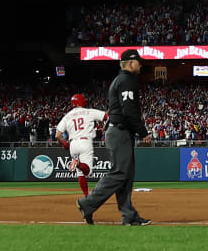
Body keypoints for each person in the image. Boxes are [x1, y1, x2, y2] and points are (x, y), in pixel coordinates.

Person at [76, 49, 152, 226]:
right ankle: (87, 203)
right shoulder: (127, 80)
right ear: (131, 63)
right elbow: (129, 110)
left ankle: (129, 216)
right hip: (119, 131)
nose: (141, 65)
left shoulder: (120, 80)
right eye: (138, 62)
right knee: (119, 173)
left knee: (126, 175)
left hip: (119, 131)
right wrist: (143, 132)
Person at [56, 93, 108, 197]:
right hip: (85, 142)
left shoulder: (67, 116)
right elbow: (106, 116)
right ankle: (78, 163)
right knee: (87, 171)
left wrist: (66, 144)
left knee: (80, 174)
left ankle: (86, 195)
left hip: (73, 144)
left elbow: (57, 135)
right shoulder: (89, 112)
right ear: (82, 101)